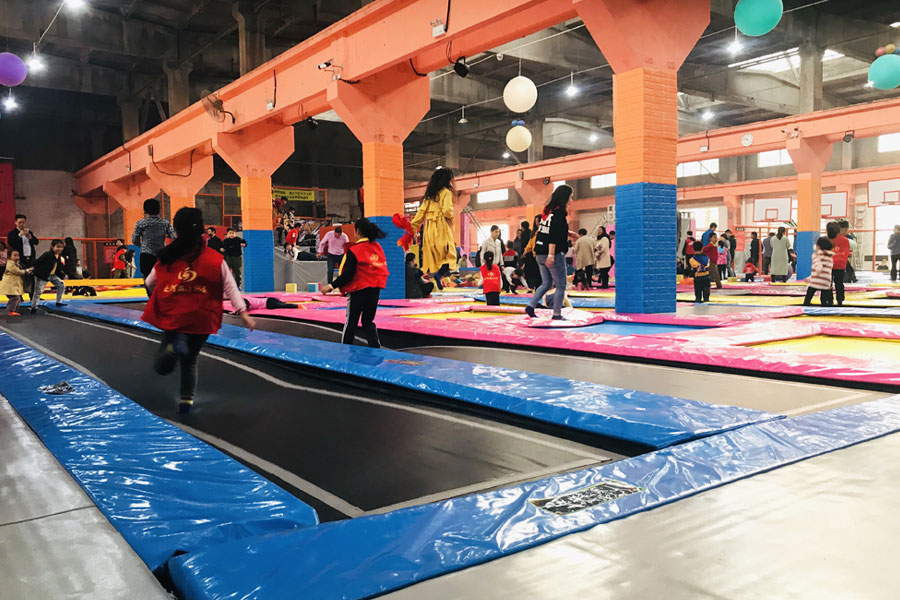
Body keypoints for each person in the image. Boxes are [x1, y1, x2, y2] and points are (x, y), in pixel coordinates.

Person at [142, 208, 255, 414]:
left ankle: (172, 349)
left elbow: (150, 282)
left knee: (162, 366)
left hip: (175, 316)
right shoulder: (214, 258)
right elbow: (230, 286)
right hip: (202, 316)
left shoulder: (167, 256)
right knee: (191, 359)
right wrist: (243, 312)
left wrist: (163, 294)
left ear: (176, 229)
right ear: (201, 229)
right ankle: (186, 402)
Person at [322, 217, 388, 348]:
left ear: (357, 231)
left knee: (351, 322)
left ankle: (346, 349)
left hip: (359, 290)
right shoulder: (377, 248)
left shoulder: (355, 249)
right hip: (374, 290)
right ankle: (376, 348)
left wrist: (331, 285)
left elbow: (348, 274)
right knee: (368, 322)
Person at [526, 185, 575, 320]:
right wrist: (551, 255)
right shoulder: (559, 214)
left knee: (546, 283)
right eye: (570, 197)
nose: (571, 200)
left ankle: (531, 305)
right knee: (561, 285)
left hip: (539, 253)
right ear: (564, 198)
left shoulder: (548, 212)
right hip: (552, 253)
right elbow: (553, 236)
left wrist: (568, 233)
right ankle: (556, 314)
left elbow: (549, 231)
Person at [411, 167, 457, 290]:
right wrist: (451, 218)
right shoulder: (446, 192)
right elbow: (447, 211)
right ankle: (438, 275)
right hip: (441, 227)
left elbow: (421, 213)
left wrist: (412, 227)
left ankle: (416, 276)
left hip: (429, 229)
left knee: (429, 257)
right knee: (450, 255)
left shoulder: (429, 195)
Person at [132, 199, 176, 281]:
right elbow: (173, 237)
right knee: (161, 278)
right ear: (159, 210)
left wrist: (142, 245)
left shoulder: (140, 223)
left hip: (146, 255)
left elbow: (134, 239)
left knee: (147, 278)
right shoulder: (166, 223)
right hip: (161, 255)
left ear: (145, 210)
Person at [32, 239, 67, 313]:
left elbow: (57, 268)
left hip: (52, 275)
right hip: (42, 275)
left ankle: (58, 302)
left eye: (61, 247)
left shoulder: (59, 256)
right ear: (52, 247)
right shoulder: (47, 255)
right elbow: (37, 262)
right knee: (38, 291)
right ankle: (34, 307)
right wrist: (35, 270)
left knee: (61, 285)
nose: (59, 249)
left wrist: (62, 275)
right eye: (58, 247)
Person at [0, 249, 32, 316]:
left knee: (16, 298)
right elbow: (17, 271)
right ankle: (12, 310)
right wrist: (26, 271)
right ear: (9, 257)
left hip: (13, 286)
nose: (17, 257)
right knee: (15, 298)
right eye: (14, 255)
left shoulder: (16, 263)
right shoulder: (10, 264)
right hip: (10, 286)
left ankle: (11, 310)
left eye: (18, 256)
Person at [804, 236, 834, 306]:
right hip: (826, 281)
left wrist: (810, 278)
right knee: (824, 297)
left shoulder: (817, 255)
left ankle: (806, 303)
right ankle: (824, 304)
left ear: (818, 246)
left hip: (816, 280)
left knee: (810, 293)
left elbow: (818, 267)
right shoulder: (830, 256)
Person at [827, 220, 849, 306]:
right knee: (839, 283)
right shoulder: (845, 240)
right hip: (839, 266)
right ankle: (840, 300)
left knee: (828, 283)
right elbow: (845, 254)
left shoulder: (827, 239)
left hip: (829, 265)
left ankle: (829, 300)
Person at [522, 215, 542, 290]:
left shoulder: (543, 232)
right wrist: (526, 250)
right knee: (537, 275)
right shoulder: (533, 233)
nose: (536, 223)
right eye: (536, 221)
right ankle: (537, 290)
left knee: (541, 276)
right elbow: (530, 244)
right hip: (535, 256)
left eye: (538, 221)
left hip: (541, 255)